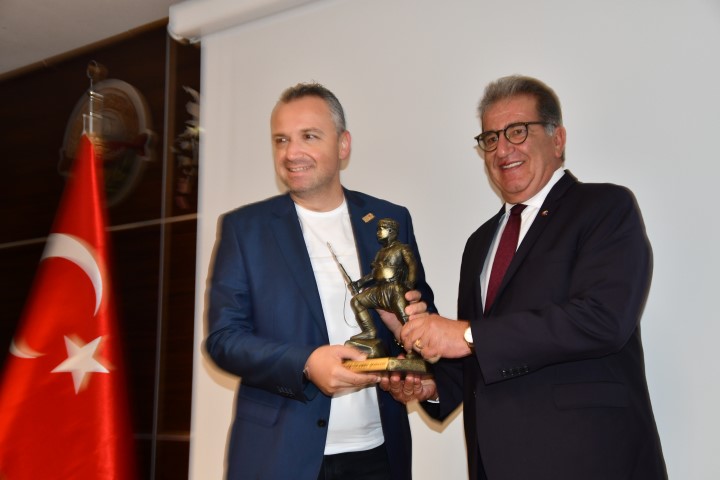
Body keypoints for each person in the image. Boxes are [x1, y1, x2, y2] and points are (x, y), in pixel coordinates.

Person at [381, 75, 667, 479]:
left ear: (557, 139)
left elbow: (603, 319)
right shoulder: (479, 243)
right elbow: (480, 353)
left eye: (517, 131)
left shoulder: (604, 207)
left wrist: (465, 335)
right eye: (490, 138)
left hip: (589, 461)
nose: (502, 149)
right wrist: (433, 386)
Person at [205, 82, 435, 480]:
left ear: (343, 145)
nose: (291, 152)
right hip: (279, 456)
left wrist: (409, 342)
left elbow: (419, 315)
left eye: (309, 136)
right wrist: (306, 364)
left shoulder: (388, 220)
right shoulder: (245, 229)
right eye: (281, 140)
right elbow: (224, 340)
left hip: (378, 454)